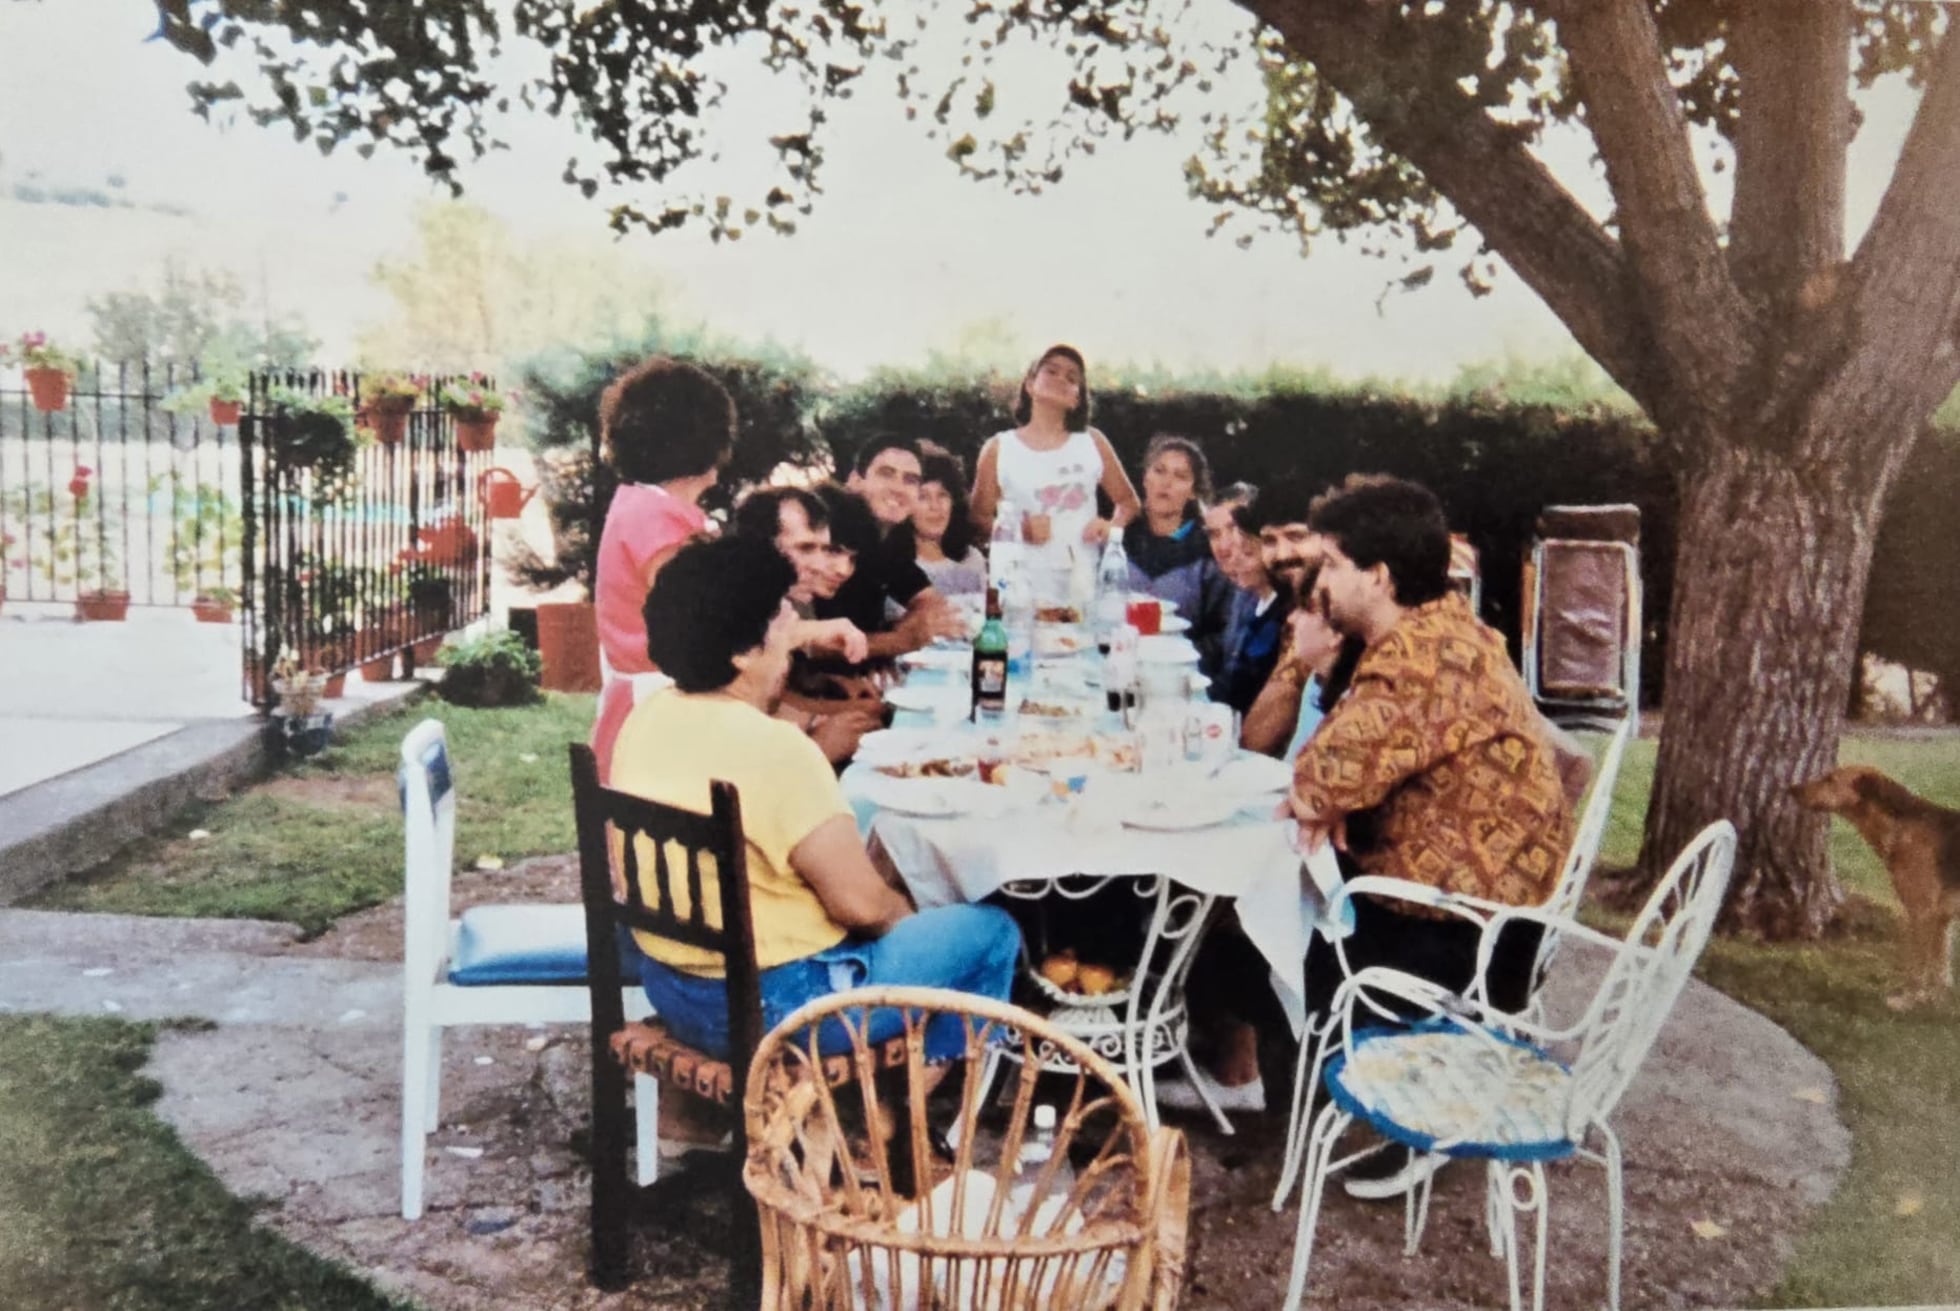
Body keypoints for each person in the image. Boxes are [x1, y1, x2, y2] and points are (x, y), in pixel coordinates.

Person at [612, 536, 1022, 1144]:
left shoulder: (647, 717)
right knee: (990, 932)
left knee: (878, 862)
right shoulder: (777, 750)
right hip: (781, 1008)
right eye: (781, 617)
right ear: (745, 653)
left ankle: (794, 1118)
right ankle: (892, 1123)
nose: (792, 628)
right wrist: (914, 925)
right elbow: (862, 908)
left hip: (675, 989)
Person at [1287, 475, 1574, 1198]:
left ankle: (1350, 1110)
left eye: (1330, 565)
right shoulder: (1449, 628)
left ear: (1378, 576)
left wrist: (1334, 796)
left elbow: (1314, 783)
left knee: (1264, 932)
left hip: (1468, 939)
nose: (1318, 584)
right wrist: (1342, 796)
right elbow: (1354, 770)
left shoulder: (1417, 660)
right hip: (1493, 906)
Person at [588, 357, 735, 784]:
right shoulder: (656, 519)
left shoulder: (649, 507)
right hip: (660, 714)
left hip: (659, 704)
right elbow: (702, 625)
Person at [731, 486, 884, 764]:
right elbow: (738, 760)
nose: (819, 565)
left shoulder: (782, 607)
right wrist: (818, 748)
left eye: (824, 549)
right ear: (758, 549)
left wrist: (838, 711)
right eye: (805, 549)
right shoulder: (731, 614)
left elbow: (776, 702)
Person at [969, 344, 1141, 575]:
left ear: (1076, 399)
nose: (1061, 379)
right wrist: (1018, 531)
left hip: (1080, 586)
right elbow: (978, 516)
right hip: (1017, 586)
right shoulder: (999, 448)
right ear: (1030, 385)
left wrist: (1110, 527)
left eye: (1072, 378)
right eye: (1051, 371)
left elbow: (1129, 502)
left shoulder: (1093, 442)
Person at [821, 436, 966, 662]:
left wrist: (904, 629)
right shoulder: (826, 532)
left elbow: (931, 602)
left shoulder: (888, 542)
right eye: (886, 474)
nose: (898, 488)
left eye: (910, 480)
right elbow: (808, 641)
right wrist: (898, 640)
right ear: (855, 481)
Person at [1121, 434, 1235, 677]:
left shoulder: (1208, 551)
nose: (1166, 483)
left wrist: (1177, 657)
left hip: (1182, 674)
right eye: (1159, 471)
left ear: (1193, 491)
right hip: (1120, 661)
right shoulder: (1120, 540)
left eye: (1180, 476)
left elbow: (1224, 632)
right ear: (1145, 478)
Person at [1212, 496, 1292, 715]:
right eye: (1236, 550)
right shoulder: (1250, 601)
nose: (1235, 560)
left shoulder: (1280, 618)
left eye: (1248, 554)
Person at [906, 450, 988, 596]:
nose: (935, 506)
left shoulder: (972, 559)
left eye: (942, 495)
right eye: (923, 497)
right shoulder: (896, 568)